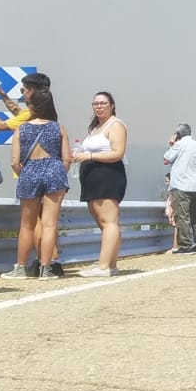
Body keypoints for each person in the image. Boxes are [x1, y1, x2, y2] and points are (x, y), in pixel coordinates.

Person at [0, 72, 50, 276]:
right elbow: (19, 112)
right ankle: (50, 262)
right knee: (45, 220)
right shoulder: (42, 111)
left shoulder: (30, 116)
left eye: (23, 90)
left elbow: (1, 126)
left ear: (32, 91)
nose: (22, 93)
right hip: (47, 170)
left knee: (33, 221)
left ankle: (38, 262)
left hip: (29, 170)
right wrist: (2, 94)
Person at [8, 86, 71, 279]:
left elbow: (14, 161)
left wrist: (25, 173)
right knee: (50, 224)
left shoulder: (22, 128)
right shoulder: (58, 127)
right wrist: (58, 171)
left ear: (31, 106)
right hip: (54, 170)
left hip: (29, 171)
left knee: (27, 224)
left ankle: (20, 267)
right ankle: (46, 268)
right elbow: (67, 158)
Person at [77, 91, 128, 276]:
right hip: (92, 177)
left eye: (103, 103)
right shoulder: (96, 127)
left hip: (107, 175)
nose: (99, 107)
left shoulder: (116, 125)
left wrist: (90, 155)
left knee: (109, 221)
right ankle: (110, 263)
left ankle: (104, 265)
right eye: (96, 104)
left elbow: (118, 152)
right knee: (103, 222)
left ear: (112, 105)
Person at [164, 123, 196, 253]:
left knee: (182, 216)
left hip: (182, 185)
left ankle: (184, 245)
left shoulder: (179, 145)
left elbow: (166, 159)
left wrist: (171, 144)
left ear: (178, 134)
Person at [163, 173, 179, 251]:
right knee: (177, 227)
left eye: (167, 181)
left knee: (176, 227)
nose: (166, 183)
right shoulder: (173, 190)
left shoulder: (173, 190)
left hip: (174, 211)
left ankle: (175, 246)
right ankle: (176, 246)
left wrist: (170, 214)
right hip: (173, 210)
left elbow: (172, 202)